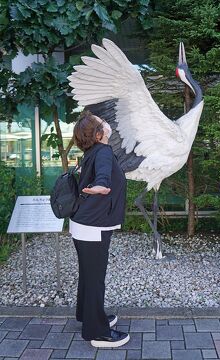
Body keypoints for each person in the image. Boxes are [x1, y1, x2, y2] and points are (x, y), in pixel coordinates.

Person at [69, 111, 130, 348]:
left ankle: (88, 316)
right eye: (102, 124)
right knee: (95, 280)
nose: (106, 125)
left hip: (82, 224)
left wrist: (100, 186)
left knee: (88, 276)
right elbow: (104, 177)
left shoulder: (91, 152)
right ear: (98, 134)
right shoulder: (102, 151)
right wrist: (102, 186)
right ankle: (98, 333)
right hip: (92, 227)